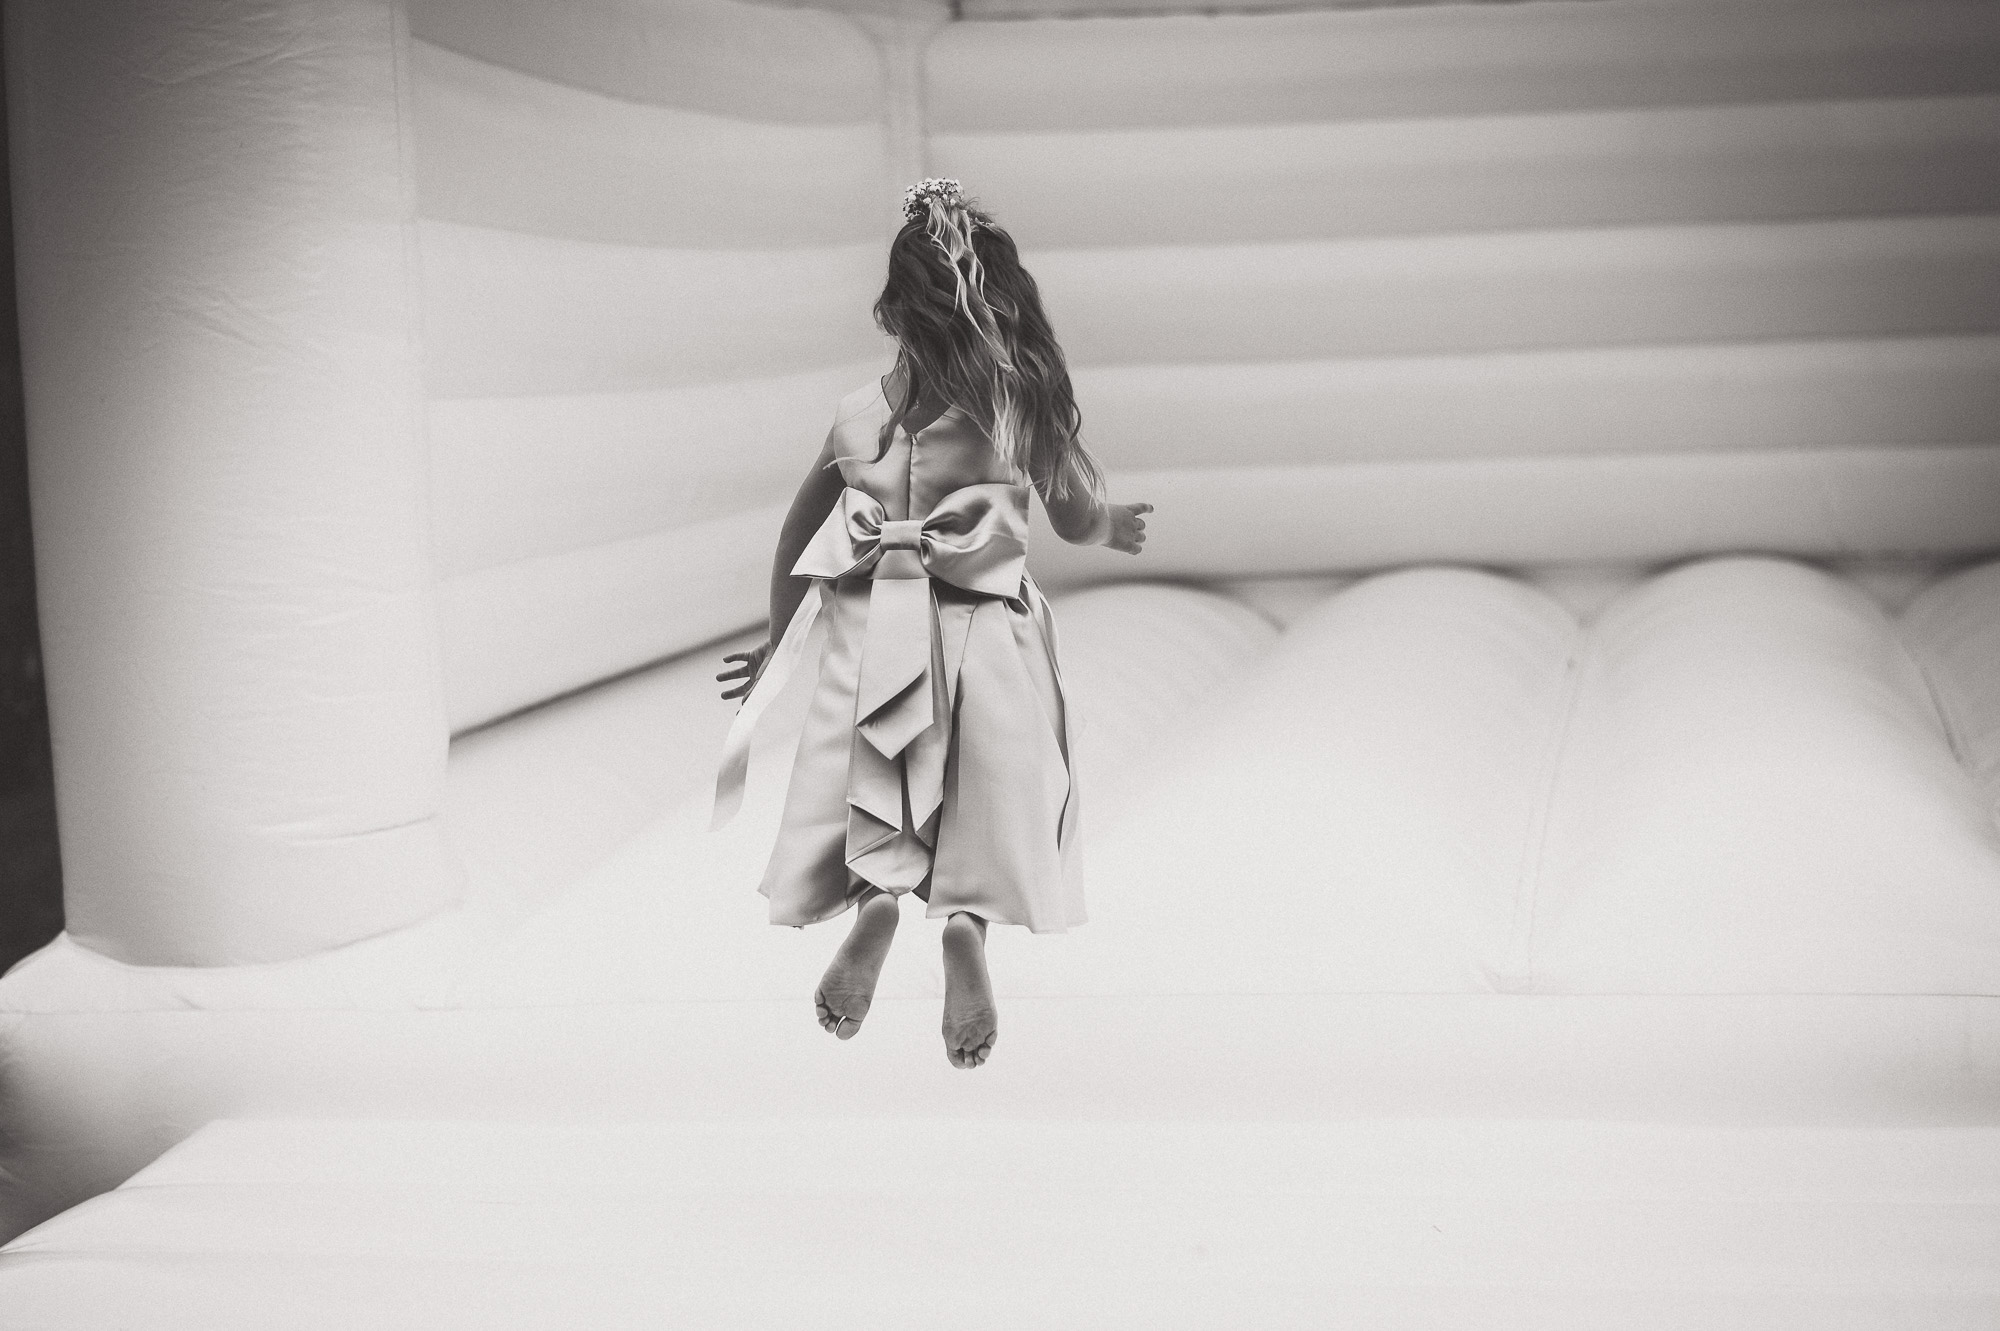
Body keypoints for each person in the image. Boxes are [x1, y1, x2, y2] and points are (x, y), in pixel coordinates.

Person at [713, 178, 1151, 1068]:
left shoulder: (856, 414)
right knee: (984, 793)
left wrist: (777, 641)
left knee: (883, 775)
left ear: (895, 308)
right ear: (1001, 300)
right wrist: (1111, 525)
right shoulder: (1012, 402)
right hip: (984, 625)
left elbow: (800, 531)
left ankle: (877, 900)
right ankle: (963, 927)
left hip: (878, 627)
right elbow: (1068, 518)